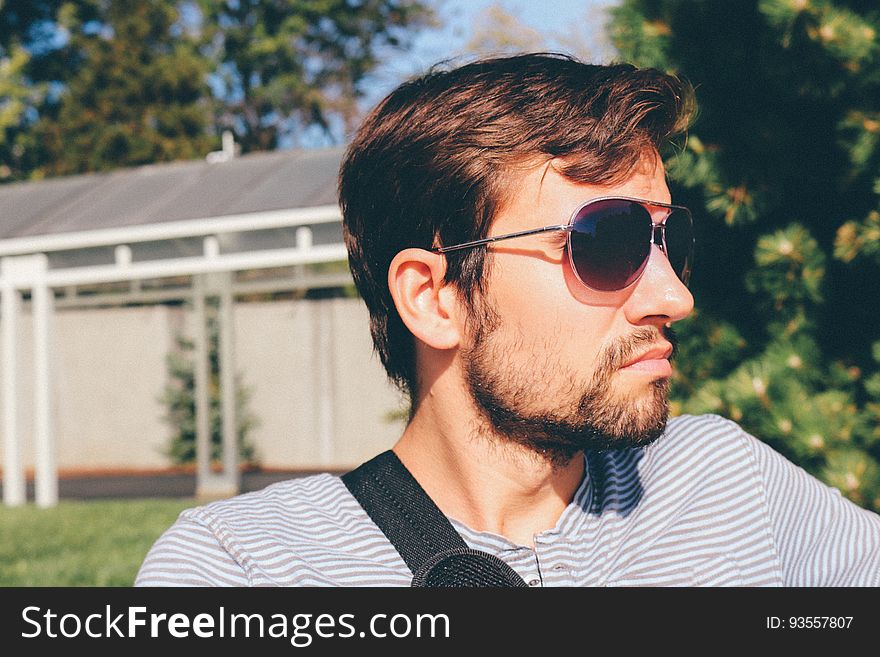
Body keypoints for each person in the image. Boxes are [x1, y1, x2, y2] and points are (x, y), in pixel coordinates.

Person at [136, 53, 880, 587]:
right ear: (434, 298)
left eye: (669, 239)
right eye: (608, 242)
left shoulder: (722, 478)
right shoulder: (245, 567)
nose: (673, 296)